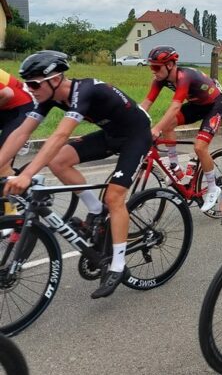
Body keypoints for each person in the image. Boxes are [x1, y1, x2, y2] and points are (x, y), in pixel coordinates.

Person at [0, 51, 152, 298]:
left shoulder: (85, 91)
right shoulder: (48, 96)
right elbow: (21, 133)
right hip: (110, 133)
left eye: (34, 83)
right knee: (59, 162)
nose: (30, 89)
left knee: (114, 198)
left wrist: (27, 174)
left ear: (56, 79)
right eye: (27, 83)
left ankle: (118, 265)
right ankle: (95, 210)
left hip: (136, 135)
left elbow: (59, 136)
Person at [140, 46, 222, 212]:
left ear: (170, 65)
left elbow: (174, 107)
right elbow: (146, 103)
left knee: (200, 147)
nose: (153, 71)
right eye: (151, 67)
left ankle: (213, 187)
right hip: (197, 105)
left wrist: (156, 129)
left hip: (215, 105)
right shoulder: (160, 79)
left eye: (156, 67)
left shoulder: (184, 76)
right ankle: (175, 168)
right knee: (169, 124)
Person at [0, 69, 35, 177]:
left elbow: (7, 94)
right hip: (6, 108)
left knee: (2, 167)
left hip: (21, 108)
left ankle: (22, 188)